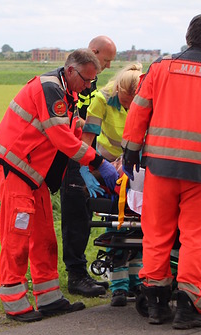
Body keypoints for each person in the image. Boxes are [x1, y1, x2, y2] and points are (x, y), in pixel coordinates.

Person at [121, 9, 201, 329]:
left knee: (156, 233)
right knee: (196, 237)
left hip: (160, 169)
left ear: (187, 37)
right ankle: (189, 308)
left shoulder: (160, 69)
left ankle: (155, 304)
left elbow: (138, 113)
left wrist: (131, 152)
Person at [0, 49, 120, 322]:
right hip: (15, 168)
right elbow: (61, 138)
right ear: (71, 71)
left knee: (45, 234)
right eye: (86, 80)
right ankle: (15, 304)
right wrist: (97, 162)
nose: (88, 86)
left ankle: (48, 298)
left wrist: (89, 164)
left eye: (92, 82)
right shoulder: (50, 89)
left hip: (32, 173)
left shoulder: (66, 93)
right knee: (17, 236)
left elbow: (70, 131)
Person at [79, 62, 144, 307]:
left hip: (135, 166)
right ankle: (118, 285)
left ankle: (137, 281)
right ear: (118, 90)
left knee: (139, 223)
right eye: (127, 102)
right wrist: (87, 169)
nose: (130, 107)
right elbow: (86, 140)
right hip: (108, 167)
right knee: (117, 223)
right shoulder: (101, 100)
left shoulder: (146, 98)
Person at [60, 35, 117, 298]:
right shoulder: (75, 83)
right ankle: (76, 275)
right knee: (76, 214)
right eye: (105, 60)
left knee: (84, 214)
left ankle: (80, 272)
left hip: (84, 155)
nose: (106, 67)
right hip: (74, 157)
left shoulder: (88, 81)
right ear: (93, 52)